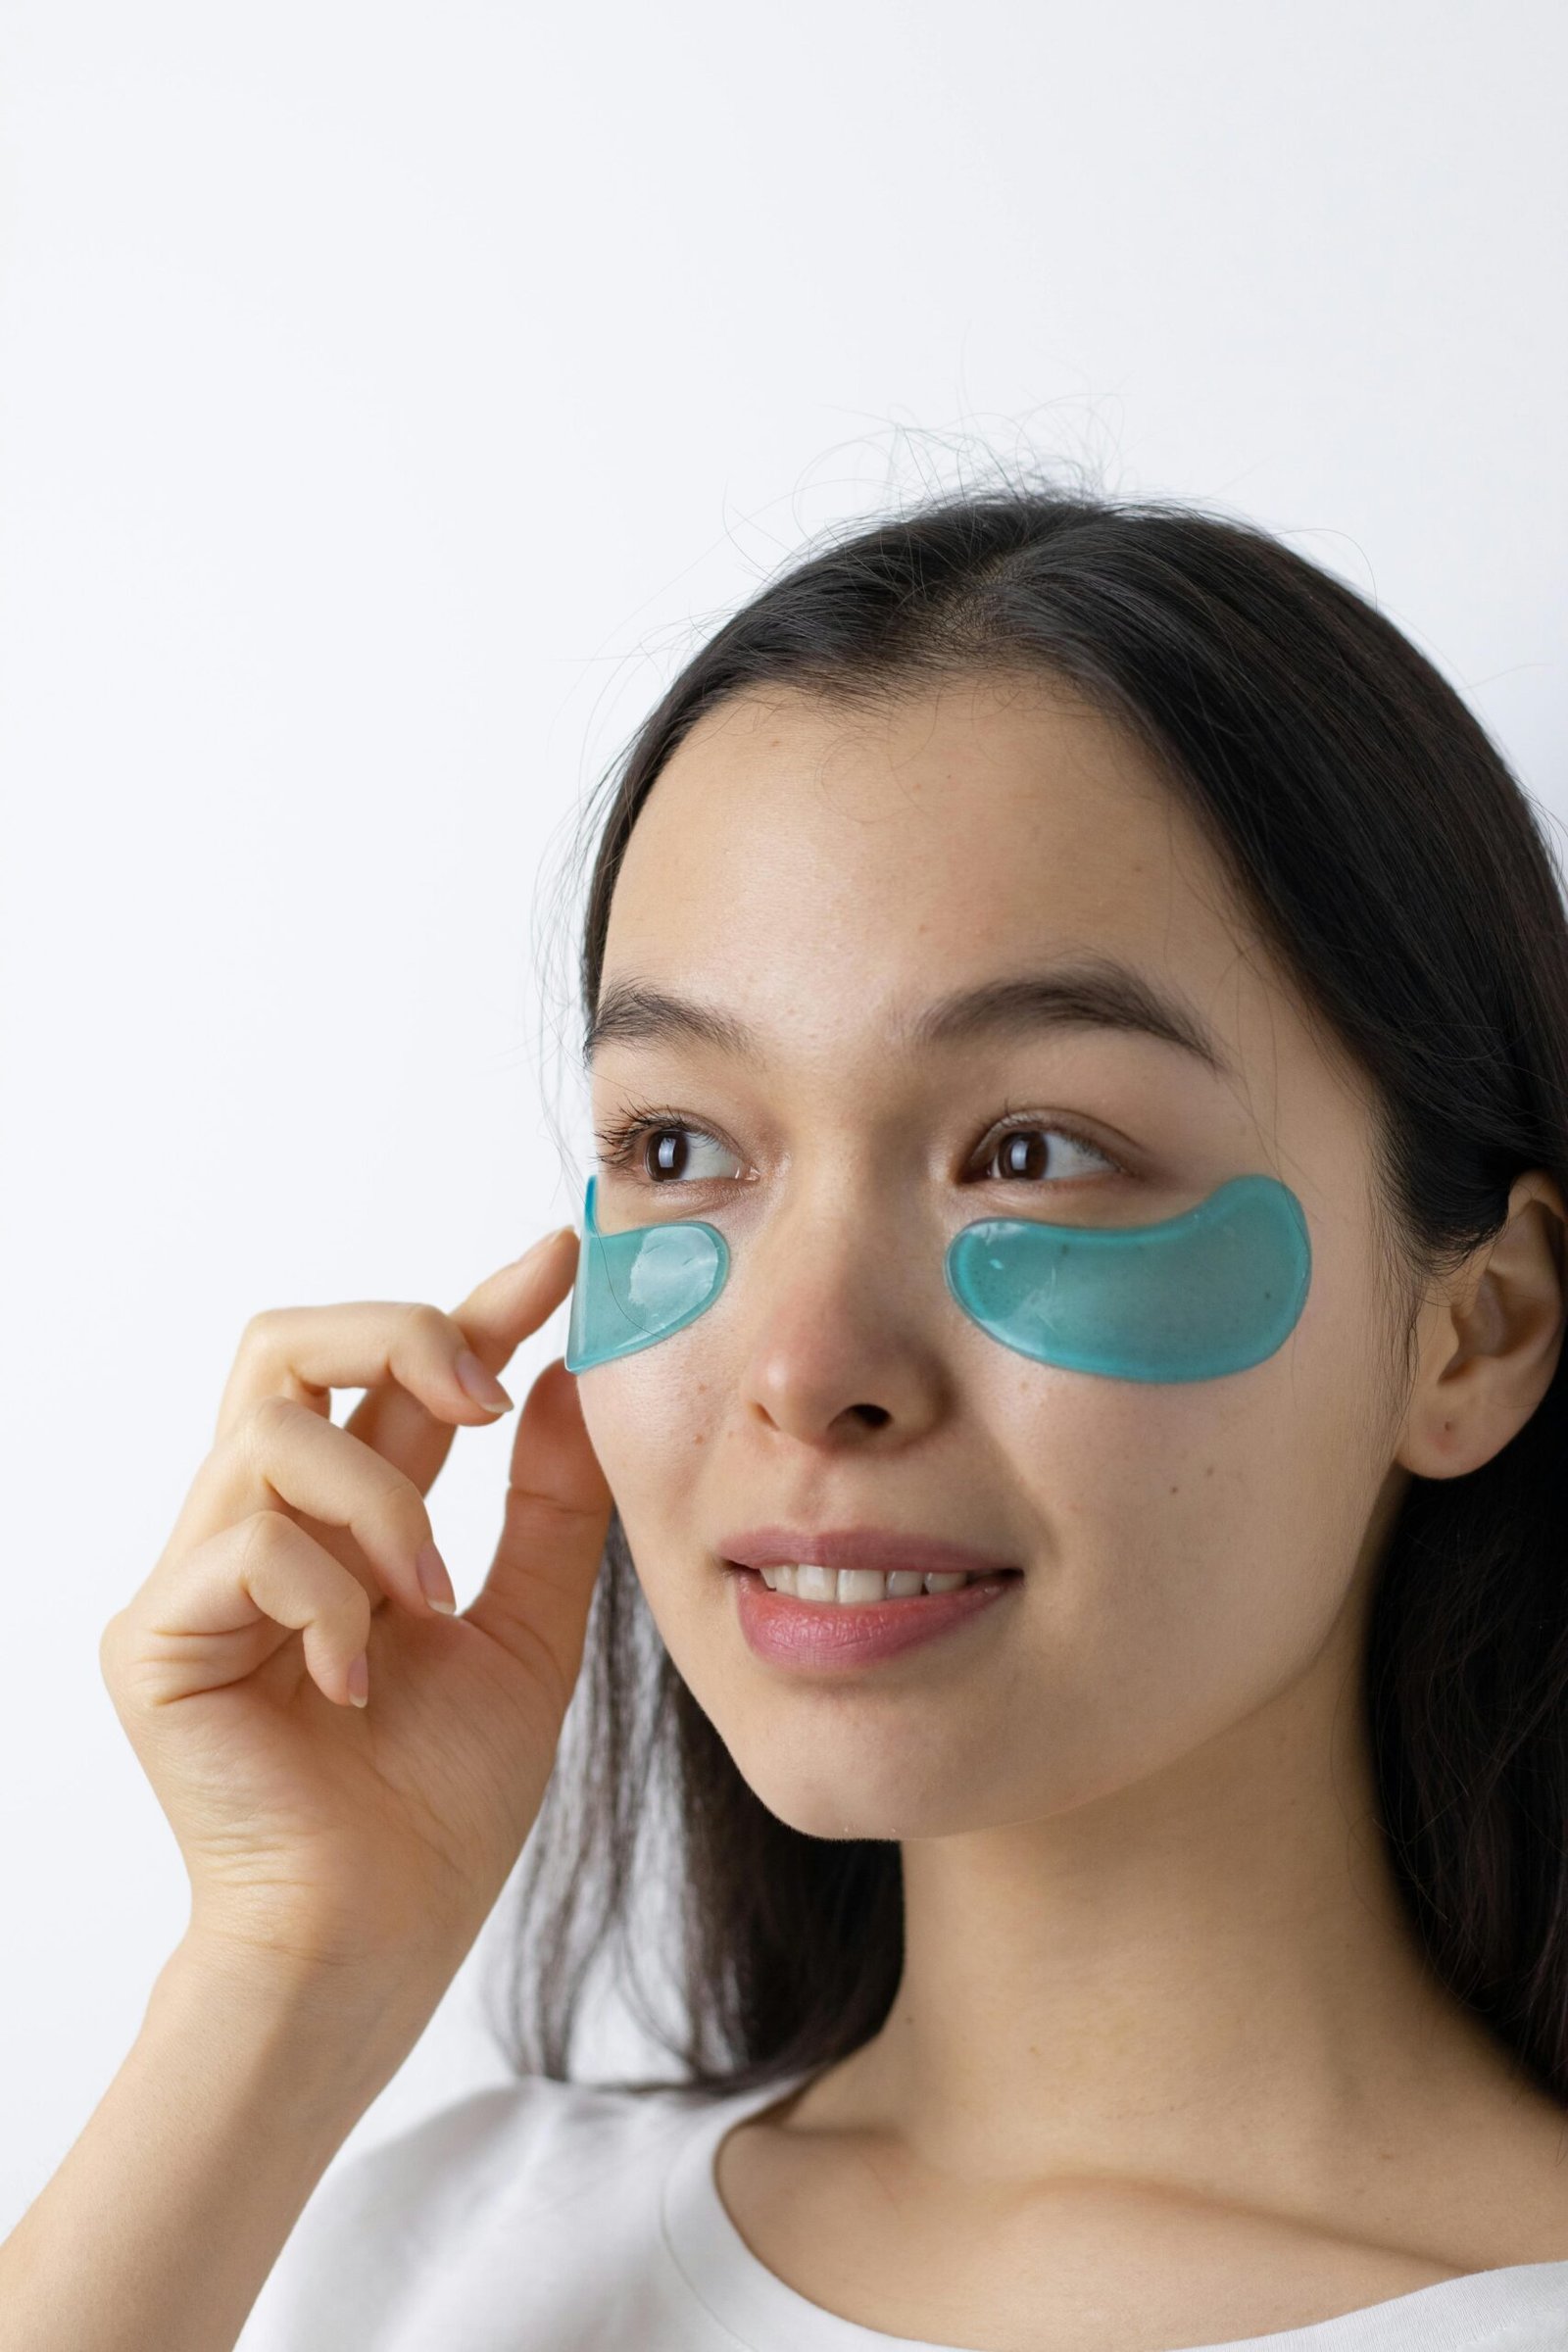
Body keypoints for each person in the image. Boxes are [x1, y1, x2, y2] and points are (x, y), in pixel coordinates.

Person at [5, 479, 1568, 2352]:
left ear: (1476, 1332)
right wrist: (281, 1978)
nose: (804, 1362)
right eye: (680, 1147)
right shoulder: (417, 2254)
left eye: (1035, 1152)